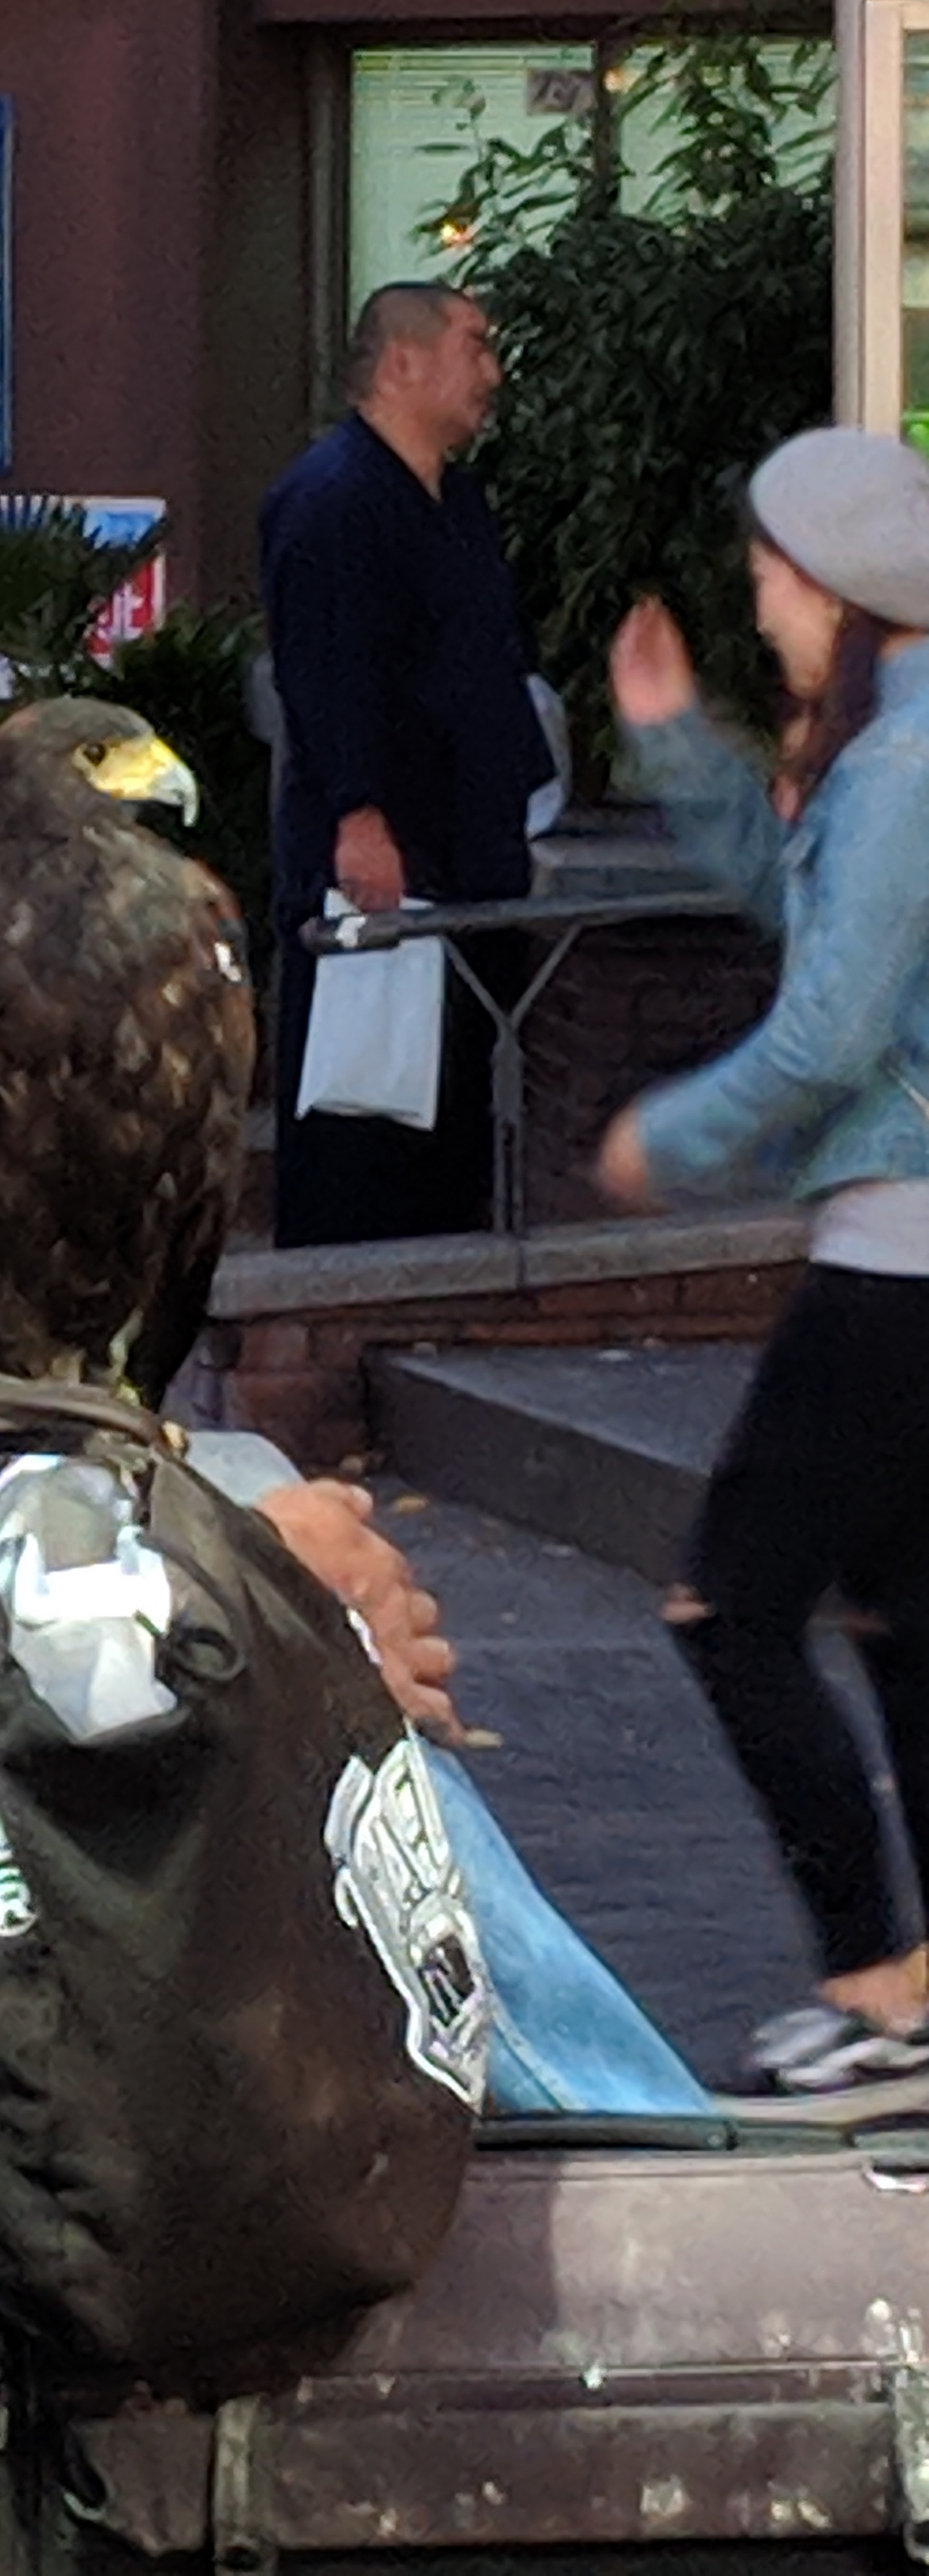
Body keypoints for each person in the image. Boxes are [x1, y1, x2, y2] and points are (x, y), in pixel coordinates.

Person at [599, 426, 929, 2102]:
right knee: (899, 1621)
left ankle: (872, 1980)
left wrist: (664, 1139)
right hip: (902, 1250)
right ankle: (904, 1992)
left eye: (770, 580)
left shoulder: (904, 765)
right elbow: (821, 933)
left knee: (729, 1606)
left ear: (840, 585)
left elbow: (827, 1032)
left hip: (896, 1258)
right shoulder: (897, 753)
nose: (759, 609)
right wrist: (678, 741)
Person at [260, 282, 554, 1247]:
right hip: (382, 855)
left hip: (472, 849)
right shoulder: (332, 500)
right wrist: (359, 814)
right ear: (403, 362)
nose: (492, 372)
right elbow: (327, 673)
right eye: (475, 346)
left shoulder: (459, 502)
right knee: (364, 1117)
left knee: (457, 1112)